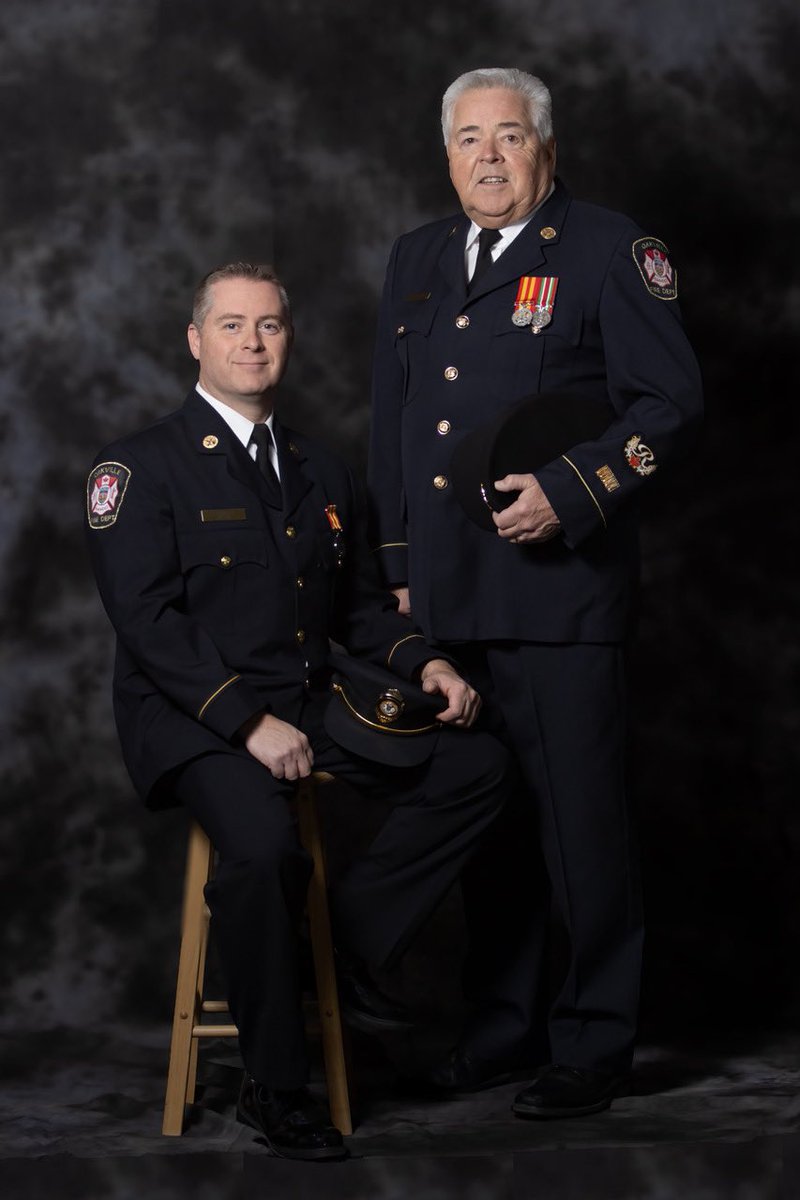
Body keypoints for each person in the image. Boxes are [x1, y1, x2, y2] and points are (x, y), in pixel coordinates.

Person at [85, 262, 510, 1160]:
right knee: (265, 850)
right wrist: (243, 723)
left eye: (270, 325)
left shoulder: (321, 468)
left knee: (478, 765)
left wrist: (425, 659)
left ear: (289, 340)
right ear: (196, 341)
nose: (252, 341)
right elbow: (149, 624)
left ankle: (348, 951)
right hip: (196, 716)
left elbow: (356, 608)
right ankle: (275, 1090)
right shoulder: (139, 467)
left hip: (310, 701)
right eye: (232, 325)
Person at [368, 67, 703, 1118]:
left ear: (544, 149)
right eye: (467, 138)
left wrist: (575, 489)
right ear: (446, 155)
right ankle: (502, 1030)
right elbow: (392, 427)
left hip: (559, 599)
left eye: (507, 135)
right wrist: (399, 574)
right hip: (452, 599)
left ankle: (593, 1044)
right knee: (490, 831)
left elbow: (670, 402)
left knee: (581, 831)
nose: (487, 156)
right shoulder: (417, 258)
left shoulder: (608, 248)